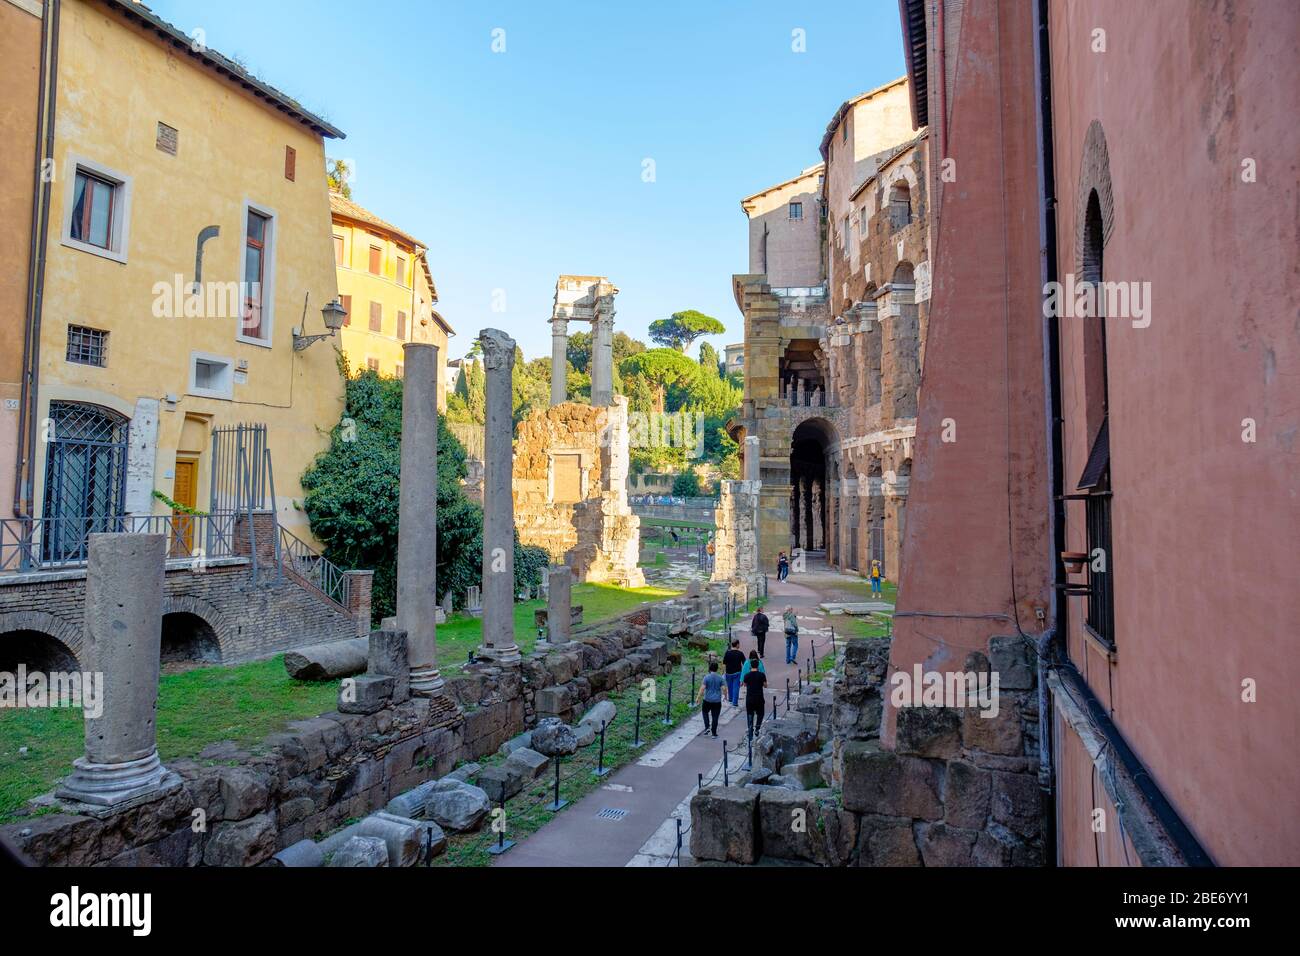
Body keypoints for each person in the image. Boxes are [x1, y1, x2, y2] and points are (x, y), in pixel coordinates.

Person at [696, 661, 724, 737]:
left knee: (705, 712)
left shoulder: (706, 677)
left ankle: (707, 726)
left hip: (707, 699)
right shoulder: (720, 678)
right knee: (715, 716)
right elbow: (724, 689)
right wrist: (726, 697)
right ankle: (714, 733)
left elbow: (702, 688)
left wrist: (698, 697)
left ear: (709, 668)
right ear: (717, 669)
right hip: (717, 701)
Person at [742, 655, 768, 737]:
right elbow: (765, 685)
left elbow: (744, 685)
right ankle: (757, 728)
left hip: (749, 698)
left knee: (750, 714)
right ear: (757, 666)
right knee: (760, 714)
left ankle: (750, 729)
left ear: (750, 666)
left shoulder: (747, 676)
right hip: (759, 697)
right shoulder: (761, 675)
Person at [722, 639, 745, 706]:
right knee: (736, 687)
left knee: (729, 686)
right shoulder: (740, 653)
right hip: (737, 672)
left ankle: (730, 699)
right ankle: (735, 702)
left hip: (728, 672)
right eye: (739, 644)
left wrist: (723, 672)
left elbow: (724, 663)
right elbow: (744, 664)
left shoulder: (727, 653)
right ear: (737, 644)